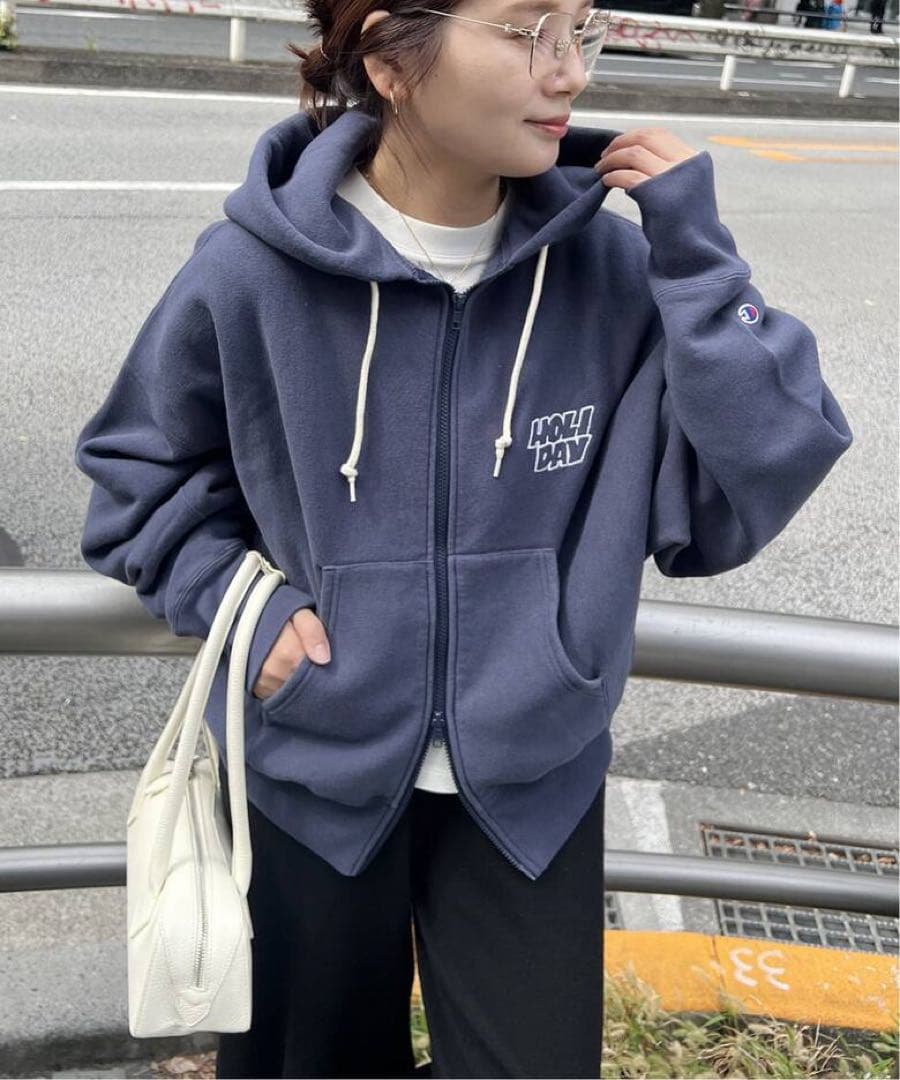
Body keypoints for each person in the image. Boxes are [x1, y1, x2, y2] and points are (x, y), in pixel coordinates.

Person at [72, 0, 854, 1074]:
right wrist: (243, 613)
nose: (568, 72)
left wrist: (701, 267)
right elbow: (139, 476)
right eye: (529, 30)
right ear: (392, 57)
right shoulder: (251, 272)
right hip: (309, 771)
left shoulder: (616, 275)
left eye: (581, 30)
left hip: (533, 781)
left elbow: (744, 491)